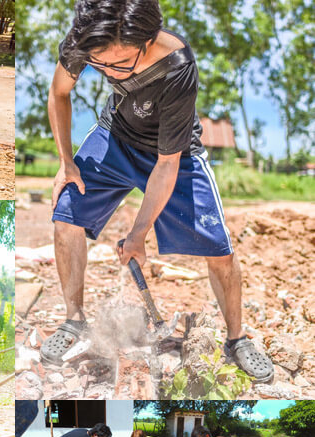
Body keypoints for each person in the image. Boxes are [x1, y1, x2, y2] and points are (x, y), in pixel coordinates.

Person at [40, 0, 274, 385]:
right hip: (115, 136)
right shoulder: (87, 36)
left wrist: (138, 234)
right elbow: (58, 92)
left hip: (174, 155)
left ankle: (236, 339)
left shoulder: (178, 67)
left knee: (220, 250)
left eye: (120, 64)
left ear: (147, 41)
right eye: (100, 64)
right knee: (66, 212)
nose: (109, 72)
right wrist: (67, 162)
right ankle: (74, 320)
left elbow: (166, 165)